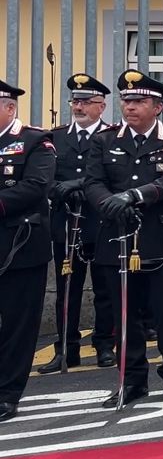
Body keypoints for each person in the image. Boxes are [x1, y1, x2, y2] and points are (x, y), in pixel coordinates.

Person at [84, 70, 163, 406]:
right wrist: (110, 205)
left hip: (161, 236)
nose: (130, 107)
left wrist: (133, 196)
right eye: (126, 100)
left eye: (138, 101)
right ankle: (131, 380)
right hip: (117, 235)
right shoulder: (104, 140)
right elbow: (92, 183)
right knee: (125, 313)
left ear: (157, 107)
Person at [40, 73, 117, 374]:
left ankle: (104, 345)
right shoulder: (55, 137)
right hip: (66, 223)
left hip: (101, 223)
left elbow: (113, 176)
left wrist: (78, 184)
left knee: (105, 289)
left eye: (86, 102)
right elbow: (43, 177)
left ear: (101, 106)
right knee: (66, 290)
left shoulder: (112, 137)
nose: (79, 107)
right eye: (76, 101)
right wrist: (57, 189)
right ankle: (66, 349)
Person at [0, 80, 55, 421]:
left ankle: (7, 393)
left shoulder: (35, 141)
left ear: (9, 107)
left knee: (18, 325)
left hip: (19, 246)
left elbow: (35, 187)